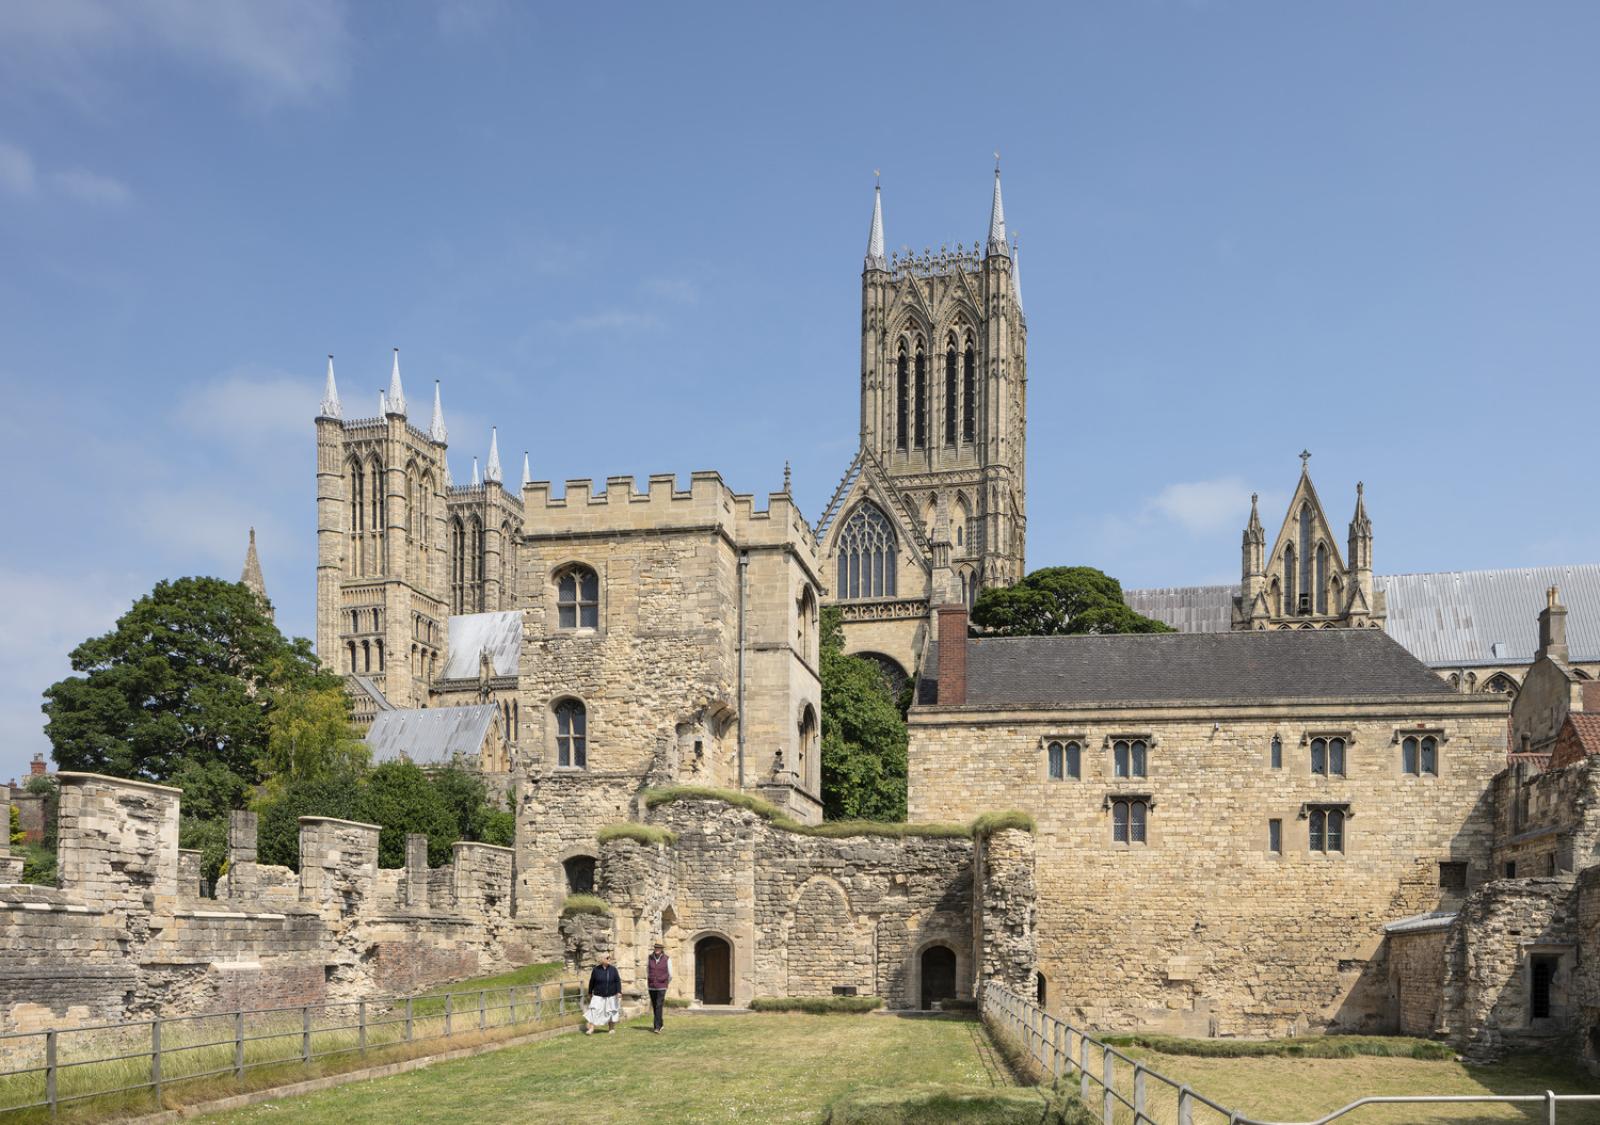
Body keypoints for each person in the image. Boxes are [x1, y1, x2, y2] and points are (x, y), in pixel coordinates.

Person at [584, 952, 622, 1035]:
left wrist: (619, 991)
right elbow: (592, 982)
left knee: (611, 1012)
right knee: (594, 1011)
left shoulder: (613, 969)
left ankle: (611, 1028)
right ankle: (591, 1029)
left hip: (611, 995)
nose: (609, 959)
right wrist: (590, 992)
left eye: (609, 958)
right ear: (602, 959)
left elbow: (617, 981)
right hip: (598, 995)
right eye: (607, 958)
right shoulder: (596, 970)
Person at [646, 941, 672, 1034]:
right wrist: (650, 980)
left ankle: (656, 1027)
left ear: (661, 950)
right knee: (655, 1006)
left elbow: (670, 974)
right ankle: (660, 1023)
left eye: (659, 948)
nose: (657, 950)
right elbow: (647, 970)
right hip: (652, 986)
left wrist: (665, 983)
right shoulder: (649, 958)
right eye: (656, 948)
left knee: (659, 1005)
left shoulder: (667, 959)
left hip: (662, 986)